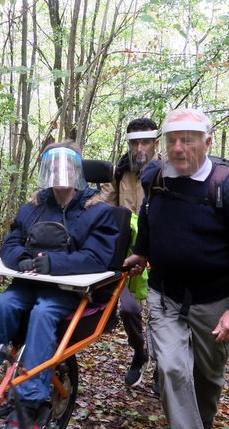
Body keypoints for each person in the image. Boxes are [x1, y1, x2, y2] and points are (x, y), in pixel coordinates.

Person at [124, 108, 229, 429]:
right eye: (172, 140)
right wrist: (142, 249)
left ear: (207, 141)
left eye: (187, 139)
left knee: (208, 376)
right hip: (165, 294)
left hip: (214, 299)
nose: (178, 148)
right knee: (172, 367)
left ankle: (201, 428)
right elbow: (151, 215)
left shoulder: (226, 187)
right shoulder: (155, 177)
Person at [0, 140, 119, 429]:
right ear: (46, 171)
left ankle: (29, 403)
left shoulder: (97, 210)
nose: (60, 173)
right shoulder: (33, 207)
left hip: (67, 292)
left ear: (76, 170)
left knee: (43, 313)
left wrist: (52, 263)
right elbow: (11, 243)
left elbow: (98, 257)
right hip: (27, 285)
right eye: (53, 166)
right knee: (3, 303)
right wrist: (20, 259)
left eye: (66, 166)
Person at [99, 118, 158, 391]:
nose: (139, 147)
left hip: (161, 252)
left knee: (161, 314)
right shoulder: (121, 171)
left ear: (156, 142)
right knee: (129, 309)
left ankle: (163, 366)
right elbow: (102, 202)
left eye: (145, 141)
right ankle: (139, 352)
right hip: (129, 253)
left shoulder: (168, 171)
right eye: (134, 142)